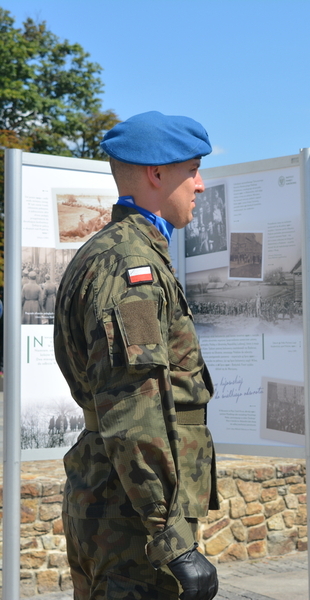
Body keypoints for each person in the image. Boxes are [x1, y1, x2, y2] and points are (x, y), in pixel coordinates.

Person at [53, 111, 218, 600]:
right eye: (193, 169)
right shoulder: (132, 267)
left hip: (115, 503)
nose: (201, 185)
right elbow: (135, 406)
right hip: (131, 525)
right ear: (157, 173)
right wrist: (172, 541)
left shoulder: (111, 251)